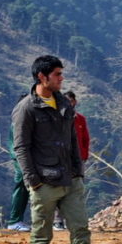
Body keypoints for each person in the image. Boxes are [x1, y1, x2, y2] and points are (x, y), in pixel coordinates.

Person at [12, 55, 112, 244]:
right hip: (44, 183)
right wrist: (33, 181)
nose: (61, 78)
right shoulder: (26, 108)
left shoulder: (65, 105)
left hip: (71, 180)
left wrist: (78, 172)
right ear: (42, 77)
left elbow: (72, 143)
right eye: (57, 74)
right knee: (41, 235)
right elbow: (21, 148)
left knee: (80, 230)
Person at [53, 91, 89, 230]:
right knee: (60, 187)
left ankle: (73, 220)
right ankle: (58, 220)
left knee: (76, 189)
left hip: (78, 159)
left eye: (70, 100)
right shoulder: (57, 118)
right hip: (62, 158)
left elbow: (85, 139)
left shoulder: (80, 119)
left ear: (75, 102)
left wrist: (83, 155)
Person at [5, 119, 30, 232]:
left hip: (38, 160)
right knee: (21, 189)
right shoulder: (17, 121)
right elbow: (13, 146)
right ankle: (15, 221)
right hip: (22, 161)